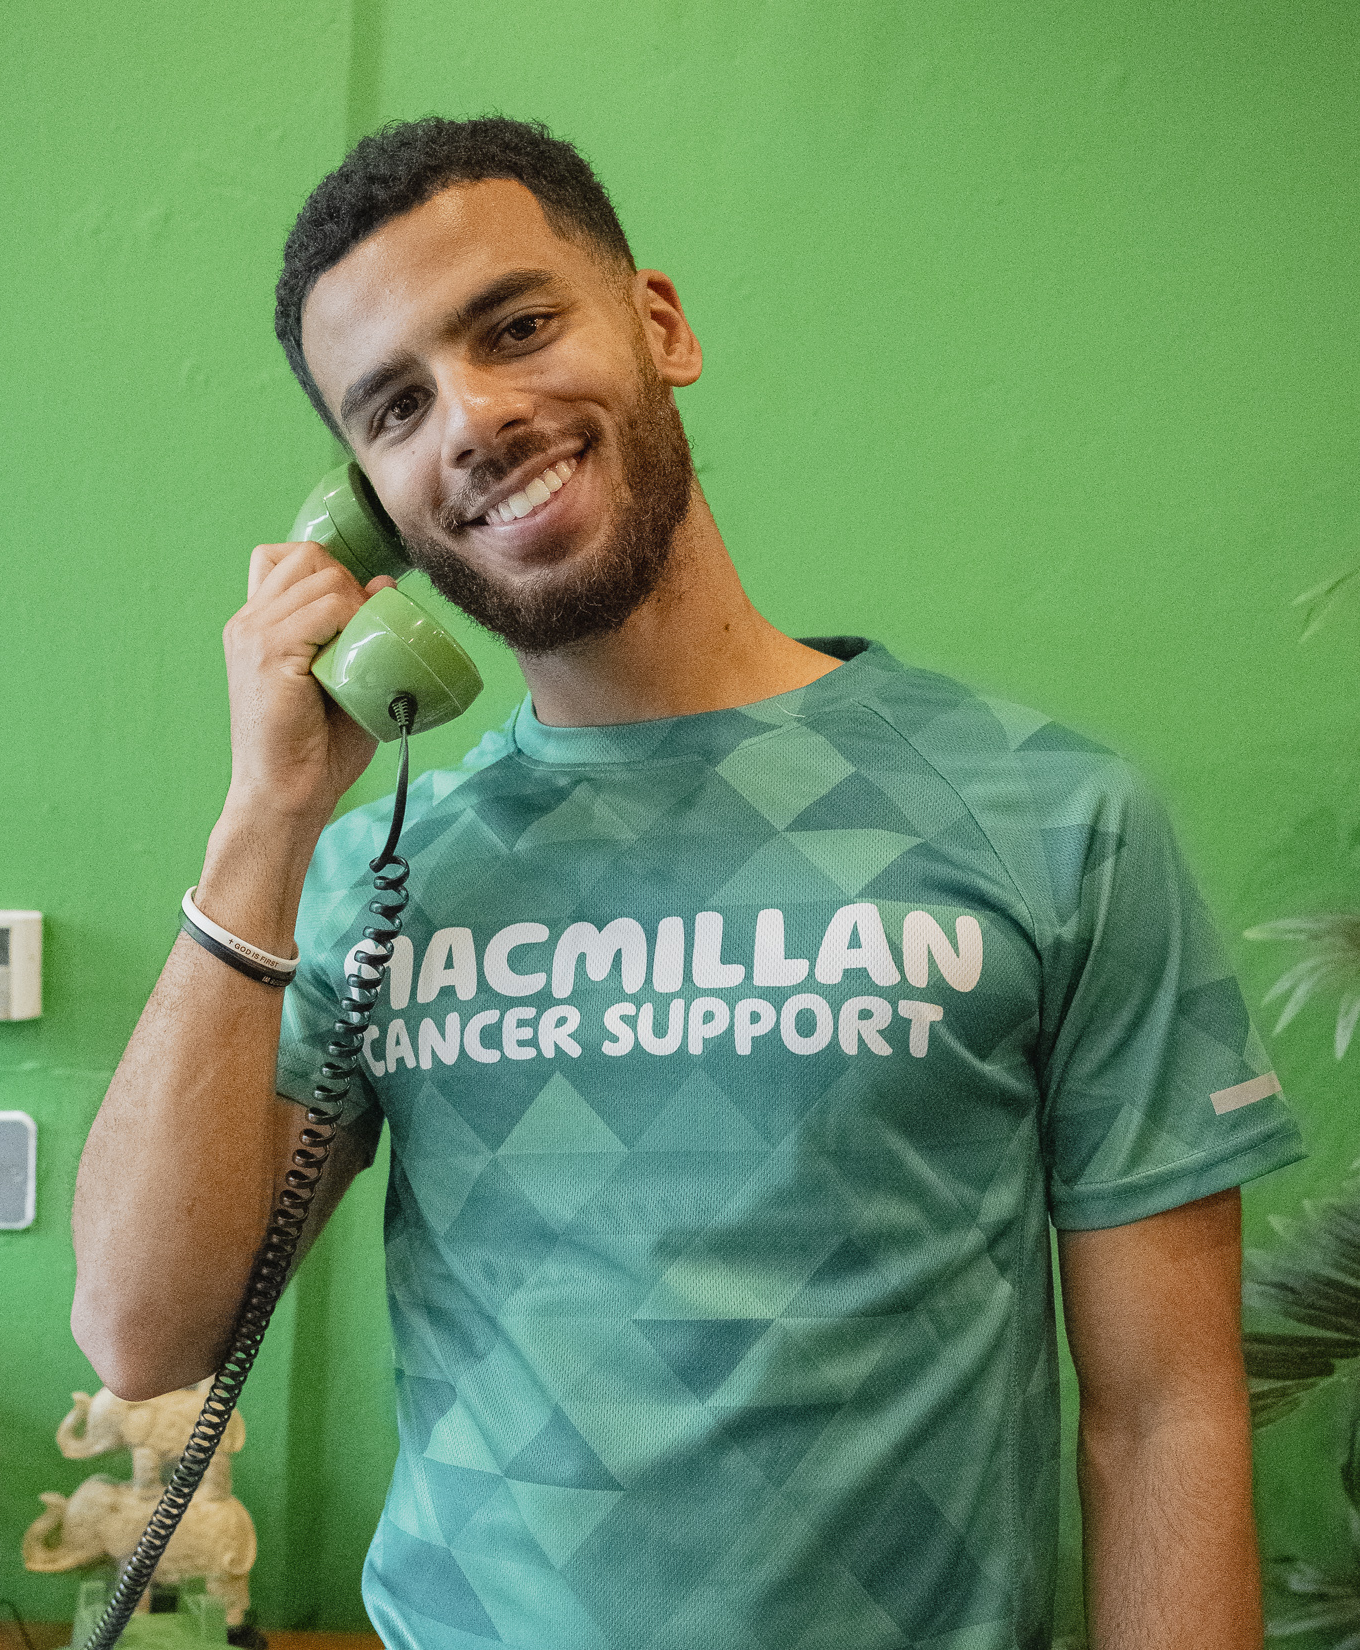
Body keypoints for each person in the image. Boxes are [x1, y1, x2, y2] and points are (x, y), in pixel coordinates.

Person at [72, 117, 1303, 1650]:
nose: (473, 417)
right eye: (394, 407)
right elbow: (141, 1330)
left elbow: (1164, 1412)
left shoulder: (1050, 814)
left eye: (515, 327)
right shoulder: (384, 874)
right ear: (367, 497)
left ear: (658, 326)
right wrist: (265, 816)